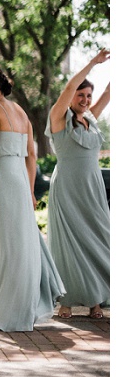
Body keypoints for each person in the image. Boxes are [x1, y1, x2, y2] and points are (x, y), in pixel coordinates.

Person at [0, 65, 64, 331]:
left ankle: (4, 309)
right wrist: (30, 190)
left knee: (3, 244)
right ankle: (16, 305)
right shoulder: (20, 111)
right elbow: (31, 156)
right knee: (19, 243)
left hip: (4, 180)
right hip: (20, 180)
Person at [46, 48, 110, 319]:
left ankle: (96, 300)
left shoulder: (91, 120)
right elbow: (70, 85)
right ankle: (67, 302)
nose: (84, 99)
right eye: (80, 95)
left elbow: (108, 94)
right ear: (71, 96)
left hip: (93, 189)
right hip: (68, 190)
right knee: (69, 245)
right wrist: (92, 63)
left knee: (100, 238)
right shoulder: (59, 119)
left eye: (87, 96)